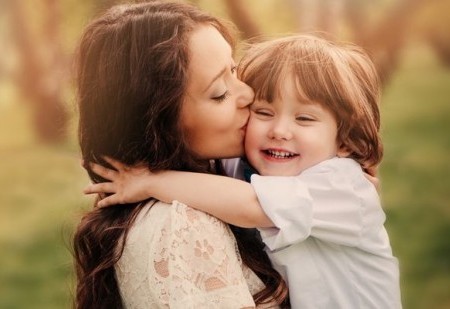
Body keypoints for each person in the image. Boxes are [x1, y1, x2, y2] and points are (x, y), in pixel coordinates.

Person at [86, 34, 402, 308]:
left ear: (345, 141)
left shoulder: (342, 185)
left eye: (304, 119)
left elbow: (251, 205)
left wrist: (151, 181)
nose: (279, 130)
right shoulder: (251, 170)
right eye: (263, 112)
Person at [73, 1, 289, 308]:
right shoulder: (183, 225)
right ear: (159, 123)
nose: (248, 95)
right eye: (219, 93)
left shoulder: (204, 193)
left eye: (234, 69)